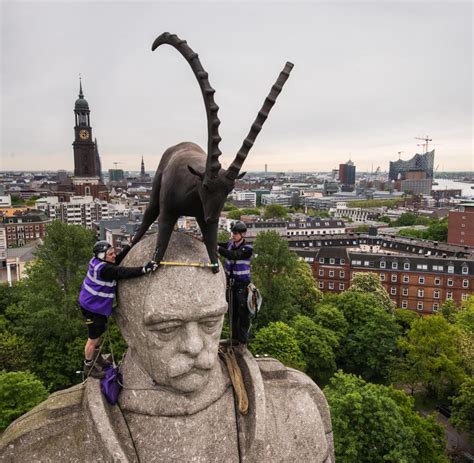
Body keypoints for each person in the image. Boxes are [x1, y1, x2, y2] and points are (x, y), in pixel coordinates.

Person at [0, 232, 334, 462]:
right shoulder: (35, 447)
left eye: (209, 323)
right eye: (167, 327)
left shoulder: (300, 404)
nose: (194, 346)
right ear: (125, 325)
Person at [79, 239, 158, 378]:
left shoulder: (101, 262)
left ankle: (97, 359)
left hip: (94, 305)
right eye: (110, 254)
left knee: (98, 333)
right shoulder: (104, 269)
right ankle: (89, 366)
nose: (114, 255)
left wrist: (129, 246)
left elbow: (117, 260)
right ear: (102, 256)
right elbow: (122, 272)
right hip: (92, 308)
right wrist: (143, 270)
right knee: (93, 338)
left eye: (113, 252)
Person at [218, 221, 253, 345]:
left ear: (242, 234)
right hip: (231, 285)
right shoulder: (230, 244)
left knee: (243, 313)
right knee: (232, 312)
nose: (233, 235)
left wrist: (218, 249)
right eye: (233, 233)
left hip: (242, 286)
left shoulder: (247, 249)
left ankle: (242, 341)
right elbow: (221, 245)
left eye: (236, 233)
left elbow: (234, 255)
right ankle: (233, 338)